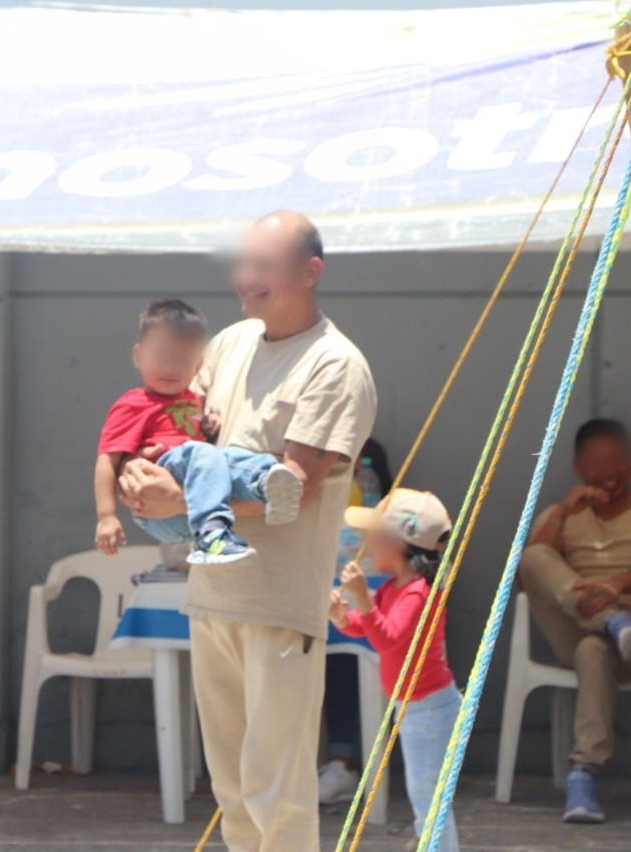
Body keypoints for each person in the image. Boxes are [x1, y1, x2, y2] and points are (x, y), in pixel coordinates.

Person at [118, 211, 376, 850]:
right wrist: (141, 476)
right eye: (242, 263)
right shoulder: (230, 342)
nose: (246, 278)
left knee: (277, 789)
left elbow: (300, 486)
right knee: (231, 789)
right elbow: (177, 428)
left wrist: (176, 498)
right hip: (212, 596)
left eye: (265, 266)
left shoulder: (334, 363)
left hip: (282, 601)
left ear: (311, 272)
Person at [519, 418, 631, 824]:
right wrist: (562, 515)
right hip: (576, 626)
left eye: (617, 466)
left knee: (593, 648)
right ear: (579, 469)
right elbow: (528, 576)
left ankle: (583, 775)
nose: (610, 477)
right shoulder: (562, 514)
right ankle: (611, 622)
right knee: (534, 556)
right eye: (598, 468)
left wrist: (615, 586)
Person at [94, 299, 305, 565]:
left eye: (181, 360)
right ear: (138, 356)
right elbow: (107, 459)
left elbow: (193, 441)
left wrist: (207, 426)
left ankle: (264, 484)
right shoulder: (133, 404)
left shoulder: (193, 399)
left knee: (228, 456)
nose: (171, 367)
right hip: (157, 508)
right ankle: (212, 536)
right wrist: (106, 516)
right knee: (203, 453)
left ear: (197, 365)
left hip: (188, 488)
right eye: (161, 356)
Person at [331, 489, 461, 852]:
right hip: (413, 708)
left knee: (429, 801)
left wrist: (361, 597)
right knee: (424, 795)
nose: (366, 543)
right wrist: (345, 617)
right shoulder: (394, 587)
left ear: (401, 542)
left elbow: (388, 639)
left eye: (374, 535)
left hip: (430, 710)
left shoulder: (418, 593)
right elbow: (369, 627)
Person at [320, 437, 393, 804]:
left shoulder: (371, 461)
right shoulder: (309, 462)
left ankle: (344, 760)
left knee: (347, 656)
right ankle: (333, 762)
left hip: (372, 610)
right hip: (317, 586)